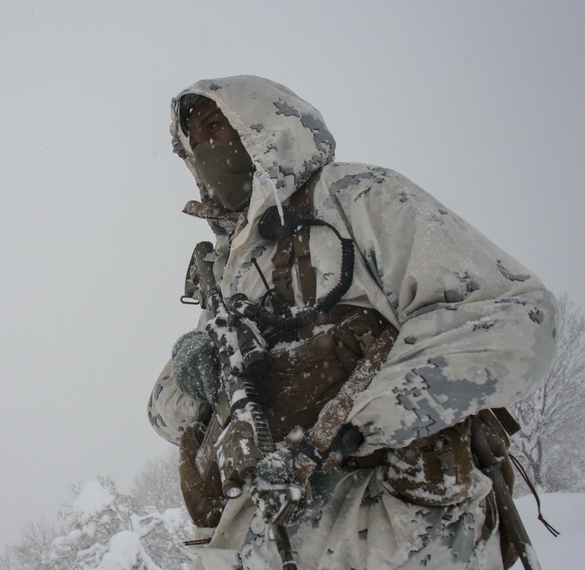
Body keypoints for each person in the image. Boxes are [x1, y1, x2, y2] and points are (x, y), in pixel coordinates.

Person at [147, 75, 558, 570]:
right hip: (265, 544)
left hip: (400, 537)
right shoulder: (226, 271)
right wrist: (196, 375)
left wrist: (358, 427)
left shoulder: (357, 199)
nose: (209, 147)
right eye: (197, 140)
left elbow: (512, 316)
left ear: (260, 124)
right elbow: (164, 416)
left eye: (217, 126)